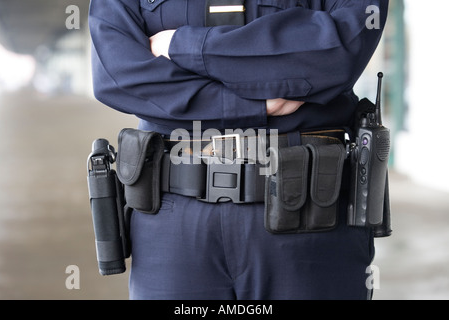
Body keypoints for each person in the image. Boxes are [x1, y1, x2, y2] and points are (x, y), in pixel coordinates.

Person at [89, 0, 389, 300]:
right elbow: (115, 75)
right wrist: (254, 103)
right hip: (170, 224)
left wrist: (183, 46)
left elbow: (338, 50)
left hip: (308, 215)